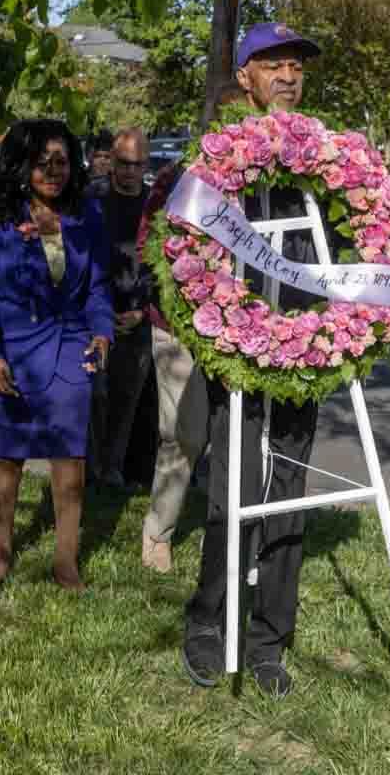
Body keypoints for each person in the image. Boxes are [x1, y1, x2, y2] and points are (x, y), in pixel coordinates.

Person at [182, 23, 345, 698]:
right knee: (232, 496)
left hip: (304, 355)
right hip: (236, 356)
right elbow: (185, 251)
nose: (286, 76)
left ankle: (268, 642)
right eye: (271, 65)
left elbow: (348, 247)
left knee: (286, 503)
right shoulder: (216, 158)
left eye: (295, 68)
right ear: (243, 76)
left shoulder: (327, 159)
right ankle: (206, 626)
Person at [0, 119, 113, 591]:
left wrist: (103, 331)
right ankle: (0, 554)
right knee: (7, 459)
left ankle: (66, 562)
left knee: (70, 461)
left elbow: (99, 287)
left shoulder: (87, 216)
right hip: (10, 354)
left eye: (62, 161)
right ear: (22, 165)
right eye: (41, 161)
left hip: (71, 350)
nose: (52, 170)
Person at [137, 81, 247, 573]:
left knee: (235, 438)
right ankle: (158, 531)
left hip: (245, 328)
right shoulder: (176, 177)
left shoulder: (265, 181)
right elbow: (149, 241)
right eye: (226, 121)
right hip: (179, 326)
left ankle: (223, 540)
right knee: (183, 434)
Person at [87, 127, 154, 489]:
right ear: (111, 160)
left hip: (138, 314)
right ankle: (90, 468)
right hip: (95, 315)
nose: (129, 171)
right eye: (123, 163)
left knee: (128, 398)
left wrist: (143, 309)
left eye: (137, 164)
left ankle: (112, 469)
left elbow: (168, 264)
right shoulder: (91, 199)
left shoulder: (156, 204)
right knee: (94, 394)